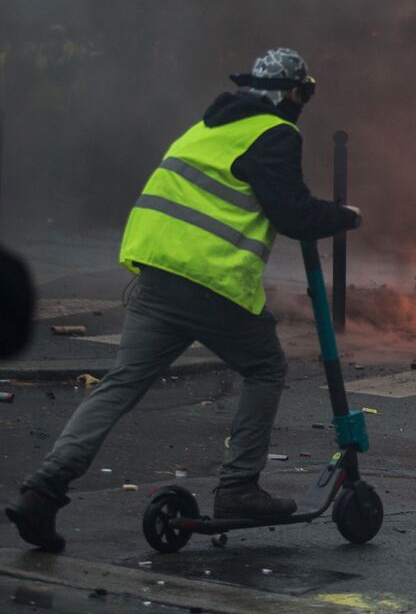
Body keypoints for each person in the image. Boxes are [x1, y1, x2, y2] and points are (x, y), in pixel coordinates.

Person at [5, 48, 362, 553]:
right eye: (305, 93)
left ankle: (42, 491)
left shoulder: (208, 126)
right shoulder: (276, 132)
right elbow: (293, 214)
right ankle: (238, 486)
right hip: (211, 281)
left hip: (157, 274)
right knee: (265, 368)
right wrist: (345, 215)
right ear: (295, 93)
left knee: (120, 384)